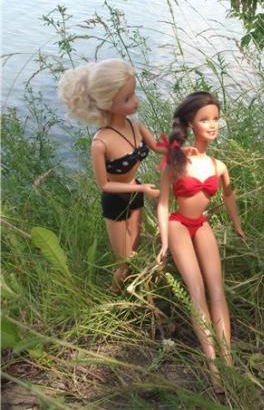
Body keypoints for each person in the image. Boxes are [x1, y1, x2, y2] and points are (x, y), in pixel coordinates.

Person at [156, 91, 244, 388]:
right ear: (191, 124)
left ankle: (228, 361)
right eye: (204, 119)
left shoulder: (218, 165)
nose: (213, 124)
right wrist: (164, 241)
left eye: (216, 118)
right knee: (197, 290)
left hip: (201, 224)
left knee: (217, 291)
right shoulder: (177, 161)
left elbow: (229, 196)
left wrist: (237, 225)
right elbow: (163, 204)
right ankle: (213, 368)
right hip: (179, 225)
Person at [58, 58, 164, 294]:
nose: (135, 102)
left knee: (135, 251)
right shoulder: (101, 142)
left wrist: (180, 148)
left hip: (136, 194)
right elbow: (104, 185)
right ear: (107, 103)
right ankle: (114, 296)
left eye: (133, 93)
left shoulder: (136, 126)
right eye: (127, 98)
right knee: (124, 260)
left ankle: (136, 292)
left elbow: (158, 147)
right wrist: (141, 189)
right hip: (116, 201)